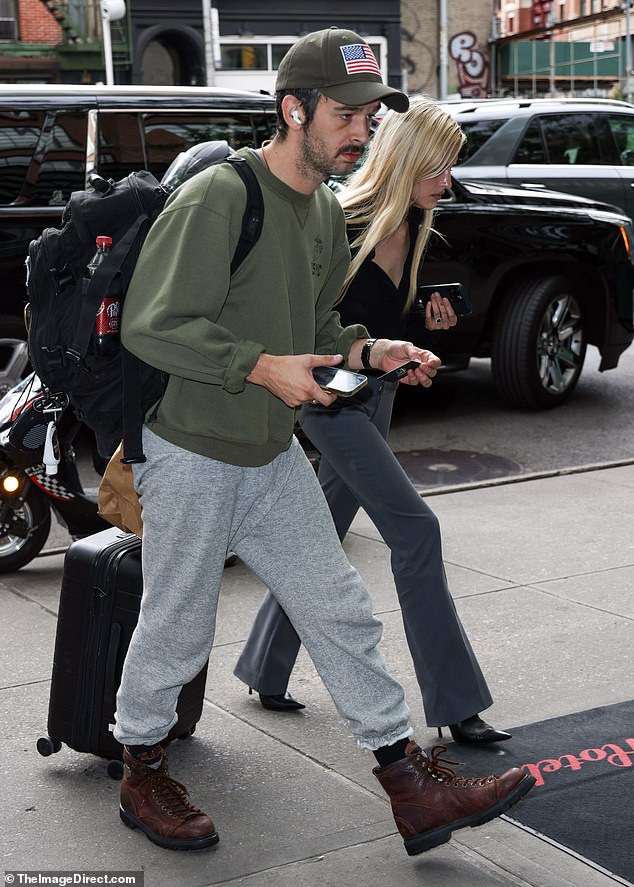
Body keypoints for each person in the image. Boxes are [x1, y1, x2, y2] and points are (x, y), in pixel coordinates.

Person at [114, 28, 534, 856]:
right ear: (293, 109)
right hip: (195, 447)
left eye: (371, 118)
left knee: (339, 608)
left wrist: (372, 351)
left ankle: (409, 785)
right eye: (346, 115)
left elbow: (315, 329)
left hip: (270, 454)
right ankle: (141, 767)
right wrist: (260, 366)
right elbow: (150, 325)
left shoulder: (315, 209)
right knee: (178, 623)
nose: (361, 132)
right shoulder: (221, 196)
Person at [234, 95, 510, 746]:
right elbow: (304, 320)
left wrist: (415, 340)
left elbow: (380, 325)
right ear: (409, 160)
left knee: (322, 539)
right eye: (440, 168)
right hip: (330, 400)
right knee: (417, 531)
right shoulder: (342, 220)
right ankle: (456, 701)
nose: (450, 182)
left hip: (373, 394)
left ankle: (264, 665)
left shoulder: (414, 228)